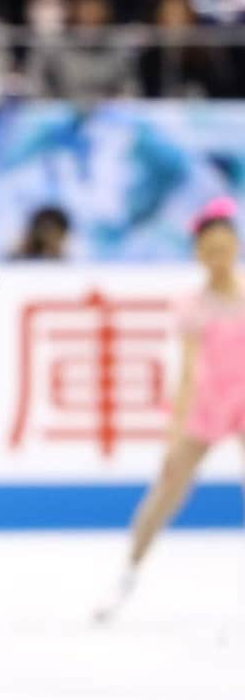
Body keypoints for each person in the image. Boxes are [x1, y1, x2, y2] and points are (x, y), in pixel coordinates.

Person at [94, 199, 245, 623]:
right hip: (209, 401)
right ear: (198, 253)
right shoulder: (192, 304)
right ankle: (129, 571)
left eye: (225, 247)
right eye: (210, 250)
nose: (219, 258)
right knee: (168, 490)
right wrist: (175, 434)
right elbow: (188, 372)